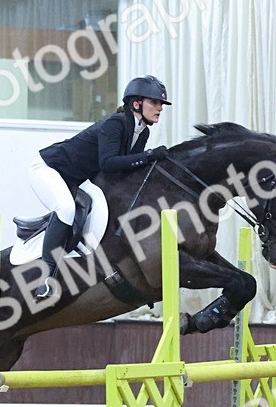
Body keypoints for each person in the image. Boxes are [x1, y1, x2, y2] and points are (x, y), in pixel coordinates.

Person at [28, 75, 172, 299]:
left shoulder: (143, 131)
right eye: (154, 102)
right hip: (48, 169)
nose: (160, 108)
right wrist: (149, 155)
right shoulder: (116, 123)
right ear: (136, 104)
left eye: (161, 104)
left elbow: (125, 169)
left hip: (76, 178)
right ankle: (45, 278)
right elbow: (108, 163)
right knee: (66, 208)